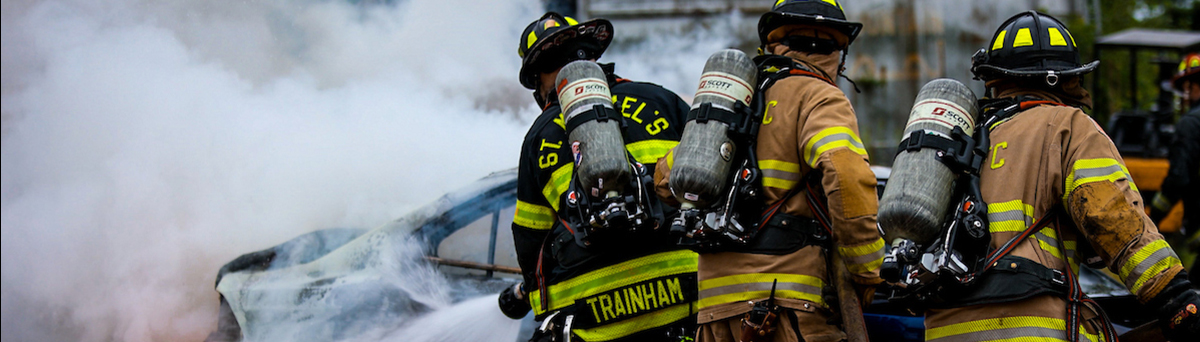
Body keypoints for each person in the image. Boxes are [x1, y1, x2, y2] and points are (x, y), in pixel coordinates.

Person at [920, 11, 1199, 341]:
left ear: (995, 79)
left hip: (944, 330)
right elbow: (1112, 219)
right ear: (1065, 79)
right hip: (1030, 329)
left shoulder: (959, 142)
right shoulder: (1068, 126)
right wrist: (1176, 296)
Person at [655, 1, 885, 341]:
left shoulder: (733, 102)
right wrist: (866, 270)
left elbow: (665, 182)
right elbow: (847, 176)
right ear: (839, 53)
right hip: (786, 311)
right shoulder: (820, 96)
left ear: (772, 43)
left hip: (715, 314)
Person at [499, 12, 698, 342]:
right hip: (684, 301)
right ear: (591, 54)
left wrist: (538, 303)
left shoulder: (541, 136)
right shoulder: (660, 101)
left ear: (540, 76)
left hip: (598, 322)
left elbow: (531, 240)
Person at [1152, 52, 1200, 284]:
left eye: (1185, 89)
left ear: (1191, 86)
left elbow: (1178, 178)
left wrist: (1154, 217)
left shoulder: (1190, 124)